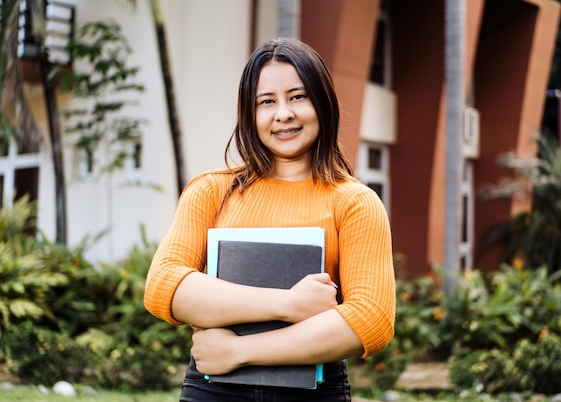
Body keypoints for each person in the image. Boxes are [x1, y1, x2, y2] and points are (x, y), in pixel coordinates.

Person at [144, 37, 396, 402]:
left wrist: (240, 351)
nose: (283, 114)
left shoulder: (355, 202)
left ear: (322, 103)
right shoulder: (212, 190)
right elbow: (163, 287)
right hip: (213, 391)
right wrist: (289, 304)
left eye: (298, 97)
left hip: (314, 392)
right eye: (267, 102)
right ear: (249, 113)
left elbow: (371, 320)